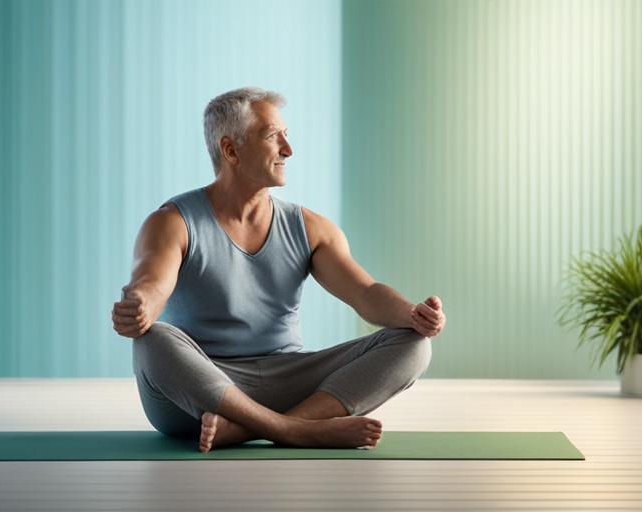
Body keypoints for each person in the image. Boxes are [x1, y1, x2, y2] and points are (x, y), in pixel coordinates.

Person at [111, 87, 445, 452]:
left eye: (287, 136)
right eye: (273, 137)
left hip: (286, 380)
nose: (288, 149)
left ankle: (254, 429)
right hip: (200, 389)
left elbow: (365, 293)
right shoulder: (172, 222)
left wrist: (412, 313)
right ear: (231, 150)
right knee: (152, 340)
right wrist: (140, 305)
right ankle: (299, 431)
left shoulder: (310, 227)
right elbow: (152, 283)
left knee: (413, 344)